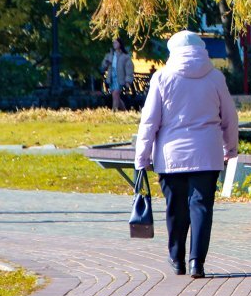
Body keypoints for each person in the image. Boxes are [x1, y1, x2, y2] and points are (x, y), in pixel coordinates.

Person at [135, 31, 239, 279]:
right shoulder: (215, 77)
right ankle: (196, 263)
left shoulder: (162, 78)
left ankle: (177, 258)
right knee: (201, 207)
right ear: (201, 50)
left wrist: (142, 157)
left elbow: (149, 122)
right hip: (207, 153)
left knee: (176, 208)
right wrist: (230, 147)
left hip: (171, 157)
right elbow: (230, 117)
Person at [101, 38, 135, 111]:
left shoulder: (125, 56)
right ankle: (125, 112)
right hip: (111, 77)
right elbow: (103, 66)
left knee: (115, 94)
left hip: (120, 78)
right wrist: (107, 62)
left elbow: (129, 69)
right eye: (113, 43)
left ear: (120, 44)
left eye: (116, 43)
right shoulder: (109, 55)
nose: (114, 44)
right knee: (116, 97)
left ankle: (114, 113)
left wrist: (128, 81)